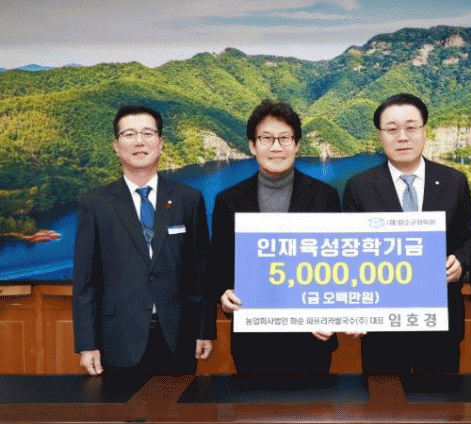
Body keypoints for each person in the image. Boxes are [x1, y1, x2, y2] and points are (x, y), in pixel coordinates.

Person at [73, 105, 214, 375]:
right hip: (117, 339)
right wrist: (87, 344)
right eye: (129, 134)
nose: (139, 141)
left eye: (148, 133)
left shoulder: (188, 199)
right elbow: (85, 283)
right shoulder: (96, 203)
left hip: (178, 337)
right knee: (122, 404)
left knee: (179, 403)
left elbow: (200, 273)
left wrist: (204, 330)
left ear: (160, 143)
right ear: (116, 146)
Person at [342, 93, 471, 373]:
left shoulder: (453, 181)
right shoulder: (360, 186)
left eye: (411, 127)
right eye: (392, 129)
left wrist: (461, 261)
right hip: (382, 326)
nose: (402, 137)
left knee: (440, 399)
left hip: (440, 322)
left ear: (424, 130)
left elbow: (469, 237)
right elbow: (350, 252)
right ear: (381, 136)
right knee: (384, 399)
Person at [210, 100, 341, 374]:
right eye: (266, 139)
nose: (276, 147)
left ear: (297, 144)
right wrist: (223, 294)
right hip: (253, 342)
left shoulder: (324, 197)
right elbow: (218, 267)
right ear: (252, 145)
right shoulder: (228, 201)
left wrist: (331, 315)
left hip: (312, 339)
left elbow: (338, 267)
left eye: (284, 138)